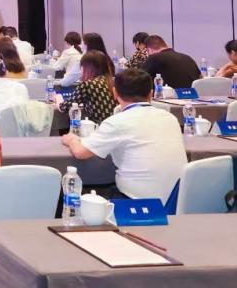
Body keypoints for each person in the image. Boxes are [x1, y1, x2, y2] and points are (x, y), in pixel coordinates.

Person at [62, 67, 187, 202]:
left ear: (115, 93)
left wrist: (71, 140)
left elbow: (81, 152)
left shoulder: (117, 122)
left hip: (136, 201)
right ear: (151, 94)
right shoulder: (170, 118)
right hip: (178, 200)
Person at [58, 50, 117, 125]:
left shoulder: (87, 84)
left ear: (87, 68)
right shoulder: (114, 81)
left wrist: (58, 98)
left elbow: (64, 107)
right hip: (116, 126)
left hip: (98, 127)